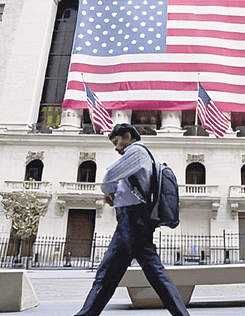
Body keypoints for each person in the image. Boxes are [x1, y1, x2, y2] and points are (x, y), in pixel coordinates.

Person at [74, 123, 190, 316]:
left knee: (107, 275)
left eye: (117, 142)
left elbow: (109, 175)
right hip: (136, 221)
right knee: (152, 274)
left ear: (127, 136)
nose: (116, 148)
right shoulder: (139, 157)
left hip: (132, 221)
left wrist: (108, 191)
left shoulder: (136, 151)